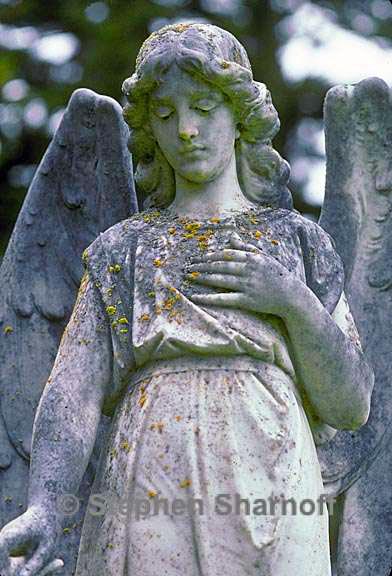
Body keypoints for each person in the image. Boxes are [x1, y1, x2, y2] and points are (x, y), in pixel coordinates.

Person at [0, 23, 373, 576]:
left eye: (203, 106)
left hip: (272, 463)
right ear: (149, 128)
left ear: (240, 115)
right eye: (166, 115)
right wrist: (46, 505)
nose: (188, 130)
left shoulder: (296, 240)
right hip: (151, 462)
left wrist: (290, 301)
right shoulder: (124, 249)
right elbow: (73, 391)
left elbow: (350, 404)